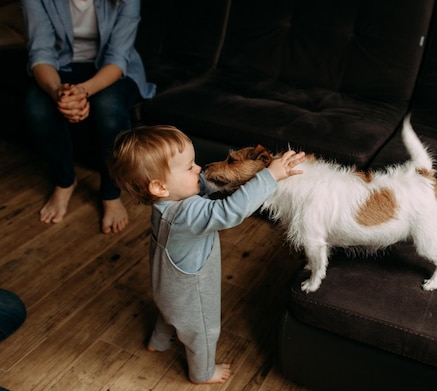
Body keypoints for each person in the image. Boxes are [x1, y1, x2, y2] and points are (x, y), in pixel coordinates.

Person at [108, 125, 305, 384]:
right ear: (159, 186)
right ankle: (202, 372)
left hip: (164, 288)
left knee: (169, 314)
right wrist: (270, 175)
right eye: (189, 167)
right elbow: (231, 210)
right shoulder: (189, 214)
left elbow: (198, 189)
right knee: (202, 331)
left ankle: (158, 342)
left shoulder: (163, 203)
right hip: (192, 296)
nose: (199, 169)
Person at [21, 0, 156, 233]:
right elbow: (41, 52)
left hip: (111, 70)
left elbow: (117, 57)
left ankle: (111, 194)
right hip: (59, 67)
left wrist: (82, 92)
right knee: (36, 107)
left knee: (109, 107)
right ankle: (64, 181)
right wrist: (58, 93)